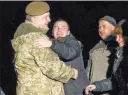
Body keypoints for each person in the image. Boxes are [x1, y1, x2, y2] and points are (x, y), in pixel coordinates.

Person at [11, 2, 78, 95]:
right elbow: (52, 68)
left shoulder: (22, 37)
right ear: (34, 19)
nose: (49, 20)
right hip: (43, 91)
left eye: (49, 16)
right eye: (45, 17)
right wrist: (73, 73)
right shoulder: (36, 37)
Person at [35, 19, 91, 95]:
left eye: (63, 28)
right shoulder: (50, 44)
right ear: (52, 32)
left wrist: (51, 44)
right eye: (56, 27)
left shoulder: (73, 42)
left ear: (68, 32)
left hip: (77, 88)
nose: (59, 30)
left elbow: (70, 53)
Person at [85, 15, 124, 95]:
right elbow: (88, 71)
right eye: (99, 27)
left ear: (114, 28)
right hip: (93, 90)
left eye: (104, 26)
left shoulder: (120, 48)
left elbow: (117, 79)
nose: (100, 29)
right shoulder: (94, 49)